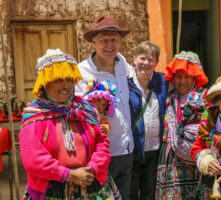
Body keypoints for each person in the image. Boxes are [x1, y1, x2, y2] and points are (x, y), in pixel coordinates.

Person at [19, 49, 120, 199]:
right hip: (53, 189)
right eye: (59, 80)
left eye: (69, 80)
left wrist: (93, 169)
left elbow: (102, 142)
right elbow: (33, 159)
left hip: (91, 182)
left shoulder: (84, 109)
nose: (65, 86)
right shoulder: (35, 115)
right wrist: (69, 174)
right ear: (45, 83)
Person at [75, 16, 133, 200]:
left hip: (126, 149)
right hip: (100, 154)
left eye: (114, 40)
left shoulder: (122, 63)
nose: (110, 45)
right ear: (93, 42)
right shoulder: (81, 72)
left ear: (120, 42)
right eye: (104, 40)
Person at [155, 51, 209, 199]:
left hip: (196, 161)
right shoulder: (169, 98)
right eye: (178, 76)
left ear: (195, 78)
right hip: (170, 160)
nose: (182, 81)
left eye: (187, 77)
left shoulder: (206, 98)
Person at [127, 41, 168, 200]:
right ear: (134, 59)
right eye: (142, 58)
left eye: (151, 59)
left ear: (156, 62)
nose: (146, 63)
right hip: (132, 148)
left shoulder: (163, 82)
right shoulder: (126, 83)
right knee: (130, 191)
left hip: (155, 149)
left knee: (149, 192)